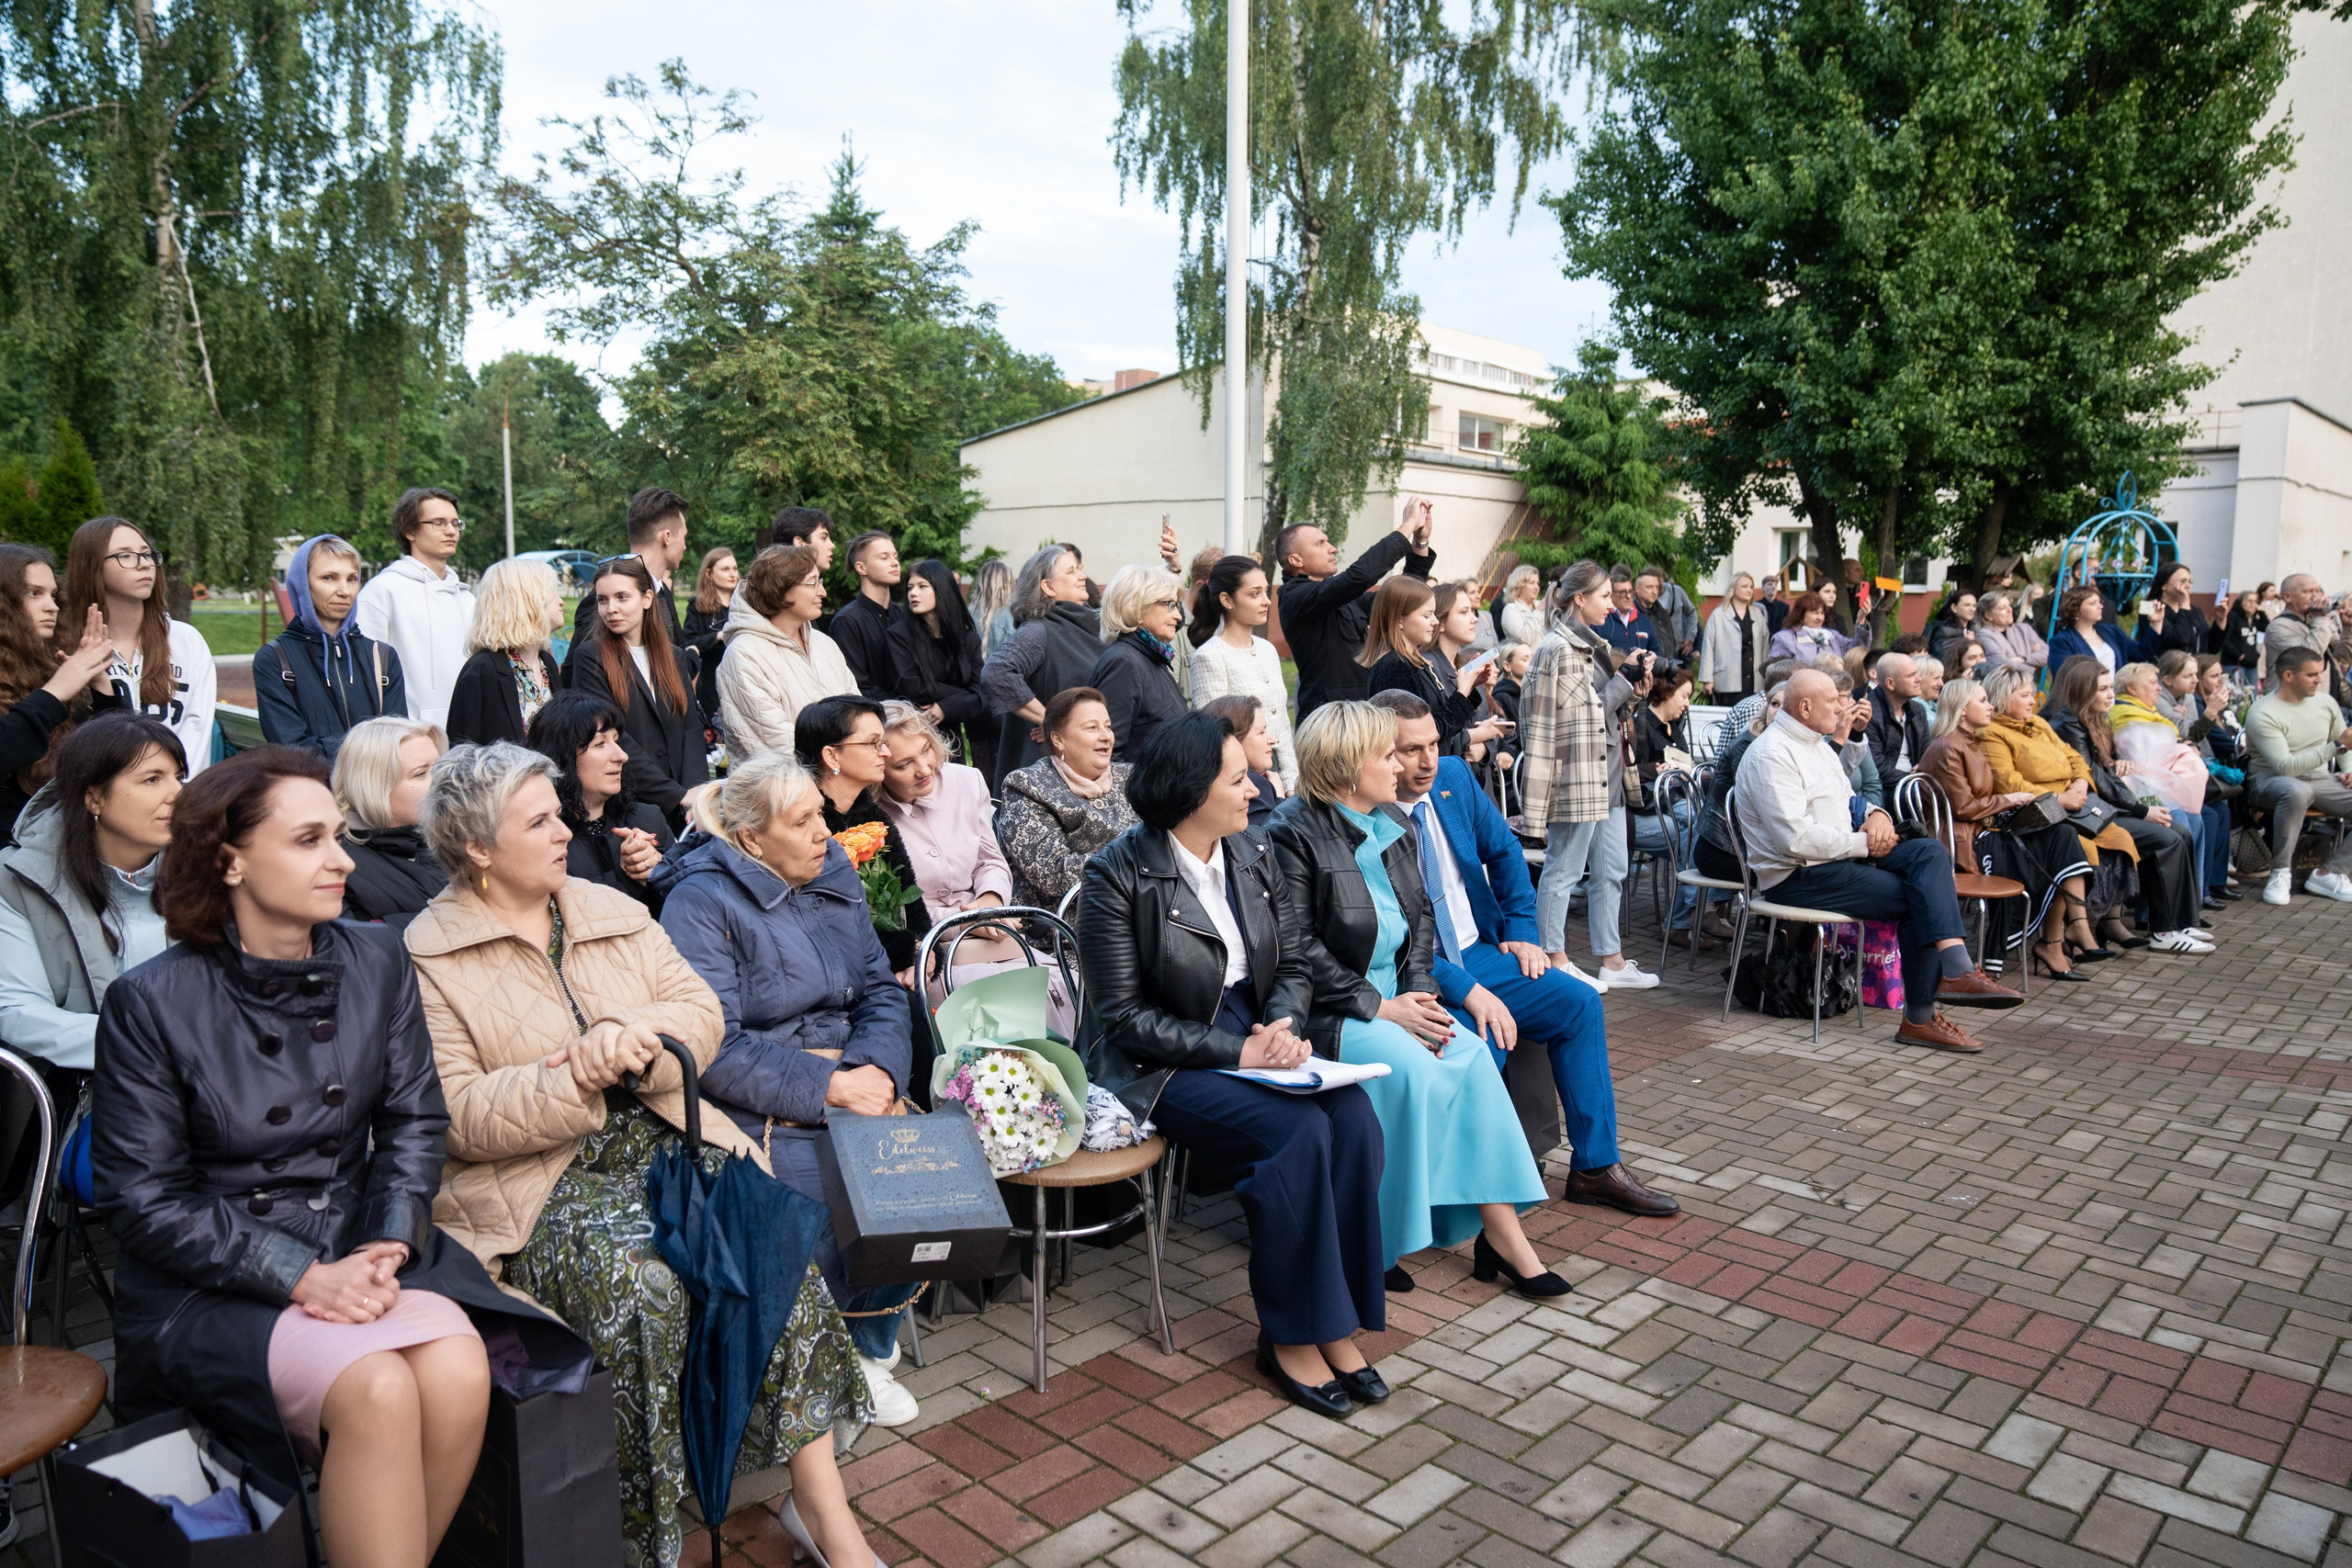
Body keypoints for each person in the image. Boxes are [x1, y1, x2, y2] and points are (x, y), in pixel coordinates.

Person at [95, 746, 589, 1568]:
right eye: (309, 840)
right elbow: (143, 1199)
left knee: (463, 1365)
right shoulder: (151, 1002)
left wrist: (389, 1236)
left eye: (339, 833)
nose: (343, 859)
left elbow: (412, 1120)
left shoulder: (375, 957)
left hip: (356, 1247)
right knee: (379, 1388)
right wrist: (300, 1274)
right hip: (213, 1281)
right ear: (229, 861)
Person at [403, 743, 878, 1568]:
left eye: (557, 813)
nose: (564, 830)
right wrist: (577, 1073)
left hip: (666, 1136)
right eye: (540, 820)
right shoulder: (428, 953)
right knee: (646, 1288)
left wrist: (646, 1041)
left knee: (770, 1238)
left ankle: (825, 1515)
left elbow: (698, 1010)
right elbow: (457, 1117)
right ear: (477, 848)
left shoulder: (603, 906)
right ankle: (647, 1539)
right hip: (539, 1179)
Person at [1076, 712, 1391, 1417]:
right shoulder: (1116, 873)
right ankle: (1289, 1336)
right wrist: (1241, 1049)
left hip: (1254, 1028)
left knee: (1354, 1119)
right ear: (1192, 792)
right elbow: (1125, 1019)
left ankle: (1336, 1321)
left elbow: (1294, 959)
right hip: (1160, 1062)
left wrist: (1282, 1021)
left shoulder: (1250, 852)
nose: (1255, 788)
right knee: (1297, 1134)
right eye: (1238, 777)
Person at [658, 753, 927, 1429]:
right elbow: (712, 1043)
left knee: (928, 1186)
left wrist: (880, 1072)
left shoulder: (831, 869)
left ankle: (867, 1349)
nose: (824, 832)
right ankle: (816, 1368)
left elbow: (879, 993)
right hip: (761, 1100)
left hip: (856, 1074)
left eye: (820, 814)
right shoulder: (699, 900)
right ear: (751, 839)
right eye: (802, 820)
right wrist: (829, 1085)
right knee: (824, 1206)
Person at [1267, 702, 1560, 1296]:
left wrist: (1420, 998)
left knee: (1470, 1055)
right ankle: (1375, 1240)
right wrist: (1382, 1007)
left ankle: (1503, 1236)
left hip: (1397, 998)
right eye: (1387, 754)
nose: (1399, 765)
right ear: (1350, 769)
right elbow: (1294, 946)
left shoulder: (1394, 826)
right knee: (1409, 1069)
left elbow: (1420, 924)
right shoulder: (1289, 832)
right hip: (1335, 1010)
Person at [1369, 691, 1679, 1215]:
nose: (1426, 762)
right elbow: (1394, 939)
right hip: (1418, 972)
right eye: (1408, 750)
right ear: (1376, 751)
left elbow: (1505, 852)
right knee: (1481, 1042)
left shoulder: (1453, 778)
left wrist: (1522, 930)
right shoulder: (1365, 813)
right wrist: (1467, 990)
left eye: (1433, 745)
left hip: (1480, 948)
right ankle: (1480, 1190)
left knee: (1578, 1003)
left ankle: (1595, 1166)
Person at [1735, 670, 2024, 1051]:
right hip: (1797, 877)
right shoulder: (1772, 754)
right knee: (1915, 898)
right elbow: (1795, 841)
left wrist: (1876, 816)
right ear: (1805, 707)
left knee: (1928, 852)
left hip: (1840, 858)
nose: (1843, 706)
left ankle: (1957, 968)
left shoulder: (1817, 744)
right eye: (1834, 700)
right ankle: (1921, 1017)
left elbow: (1847, 801)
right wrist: (1865, 845)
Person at [0, 713, 181, 1071]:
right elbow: (18, 1011)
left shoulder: (217, 869)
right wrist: (157, 1046)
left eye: (178, 777)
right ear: (93, 798)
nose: (176, 793)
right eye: (152, 779)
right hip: (86, 1100)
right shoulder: (19, 878)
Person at [1519, 561, 1659, 989]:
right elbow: (1579, 719)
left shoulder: (1590, 644)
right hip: (1578, 774)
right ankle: (1552, 957)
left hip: (1607, 775)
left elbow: (1608, 709)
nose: (1613, 602)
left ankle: (1611, 961)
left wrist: (1633, 688)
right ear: (1579, 599)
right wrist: (1623, 679)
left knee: (1611, 870)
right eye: (1603, 596)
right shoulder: (1558, 648)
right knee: (1564, 869)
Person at [1914, 678, 2094, 981]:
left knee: (2062, 835)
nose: (1991, 706)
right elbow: (1964, 808)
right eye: (1982, 701)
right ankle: (2062, 936)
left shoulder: (1968, 741)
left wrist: (2010, 804)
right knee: (2059, 841)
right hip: (1965, 843)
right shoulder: (1947, 747)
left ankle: (2070, 929)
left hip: (1982, 830)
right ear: (1961, 709)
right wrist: (2008, 799)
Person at [2043, 657, 2211, 952]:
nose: (2111, 695)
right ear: (2083, 691)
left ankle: (2182, 922)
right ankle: (2164, 932)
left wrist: (2140, 806)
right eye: (2104, 690)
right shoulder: (2068, 725)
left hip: (2100, 808)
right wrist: (2142, 810)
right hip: (2083, 815)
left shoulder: (2089, 720)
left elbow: (2108, 773)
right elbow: (2097, 779)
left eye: (2111, 688)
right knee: (2168, 839)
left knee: (2180, 832)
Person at [1974, 663, 2141, 959]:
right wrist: (2060, 799)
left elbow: (2076, 757)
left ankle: (2106, 922)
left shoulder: (2038, 724)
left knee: (2120, 839)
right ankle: (2063, 935)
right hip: (2035, 811)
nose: (2032, 700)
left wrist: (2079, 785)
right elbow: (2008, 782)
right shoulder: (1993, 733)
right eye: (2025, 695)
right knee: (2078, 849)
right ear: (2002, 698)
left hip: (2073, 803)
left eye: (2032, 694)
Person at [62, 515, 217, 772]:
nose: (144, 564)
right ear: (91, 567)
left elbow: (196, 727)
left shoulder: (185, 640)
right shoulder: (68, 644)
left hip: (178, 795)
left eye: (147, 554)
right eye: (125, 556)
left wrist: (171, 789)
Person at [796, 695, 933, 977]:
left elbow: (913, 908)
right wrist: (906, 953)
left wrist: (924, 955)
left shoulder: (874, 818)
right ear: (832, 755)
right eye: (873, 743)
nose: (885, 753)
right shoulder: (802, 824)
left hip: (892, 967)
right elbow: (820, 927)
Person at [569, 557, 707, 828]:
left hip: (683, 810)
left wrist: (696, 792)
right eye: (603, 600)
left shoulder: (674, 657)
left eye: (622, 597)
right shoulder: (591, 657)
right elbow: (613, 738)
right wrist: (676, 795)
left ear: (647, 598)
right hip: (629, 806)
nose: (611, 609)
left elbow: (690, 728)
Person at [1278, 496, 1436, 718]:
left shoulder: (1344, 600)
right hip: (1330, 725)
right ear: (1295, 560)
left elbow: (1403, 598)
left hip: (1362, 719)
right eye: (1320, 544)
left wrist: (1420, 542)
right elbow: (1358, 577)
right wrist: (1406, 526)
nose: (1332, 549)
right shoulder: (1294, 596)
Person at [253, 534, 407, 761]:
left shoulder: (382, 658)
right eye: (329, 578)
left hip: (376, 794)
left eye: (352, 579)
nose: (344, 590)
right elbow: (291, 748)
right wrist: (371, 749)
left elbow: (398, 741)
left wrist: (326, 745)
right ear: (303, 585)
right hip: (314, 793)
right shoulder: (276, 660)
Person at [0, 544, 114, 841]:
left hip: (54, 846)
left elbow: (114, 754)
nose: (52, 606)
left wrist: (100, 685)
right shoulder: (57, 683)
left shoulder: (47, 667)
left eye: (53, 594)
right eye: (33, 593)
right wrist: (54, 693)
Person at [995, 686, 1137, 912]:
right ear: (1059, 740)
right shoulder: (1026, 785)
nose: (1106, 736)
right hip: (1070, 928)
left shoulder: (1131, 776)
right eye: (1092, 727)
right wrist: (1136, 859)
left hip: (1144, 913)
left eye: (1108, 727)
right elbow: (1052, 874)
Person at [526, 693, 673, 912]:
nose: (621, 755)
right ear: (563, 756)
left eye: (616, 740)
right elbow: (559, 916)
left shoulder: (647, 819)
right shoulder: (545, 841)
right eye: (600, 744)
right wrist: (626, 878)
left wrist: (661, 868)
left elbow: (693, 906)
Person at [718, 544, 859, 761]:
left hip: (843, 782)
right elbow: (778, 744)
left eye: (820, 581)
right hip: (780, 790)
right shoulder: (744, 654)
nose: (823, 592)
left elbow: (857, 713)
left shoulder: (824, 644)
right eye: (812, 583)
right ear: (780, 590)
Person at [980, 544, 1103, 784]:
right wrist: (1051, 719)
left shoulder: (1090, 624)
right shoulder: (1039, 630)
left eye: (1079, 569)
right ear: (1047, 586)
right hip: (1048, 772)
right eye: (1071, 572)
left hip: (1086, 764)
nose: (1082, 576)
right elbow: (997, 672)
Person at [355, 488, 476, 731]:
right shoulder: (383, 591)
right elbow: (366, 674)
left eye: (455, 523)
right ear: (409, 530)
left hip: (468, 737)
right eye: (438, 523)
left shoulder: (467, 598)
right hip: (409, 738)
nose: (451, 531)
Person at [2117, 659, 2231, 905]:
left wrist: (2184, 748)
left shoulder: (2152, 713)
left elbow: (2176, 741)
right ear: (2131, 689)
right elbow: (2141, 758)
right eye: (2152, 683)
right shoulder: (2123, 714)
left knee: (2200, 819)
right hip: (2143, 792)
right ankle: (2168, 913)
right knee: (2182, 824)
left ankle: (2192, 904)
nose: (2159, 689)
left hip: (2162, 785)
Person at [2245, 646, 2352, 905]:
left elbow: (2346, 747)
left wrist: (2349, 770)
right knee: (2296, 790)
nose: (2319, 679)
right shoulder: (2263, 712)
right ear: (2289, 676)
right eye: (2312, 674)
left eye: (2320, 674)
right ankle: (2280, 872)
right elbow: (2285, 767)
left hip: (2318, 780)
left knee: (2304, 788)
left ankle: (2331, 874)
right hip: (2270, 781)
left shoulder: (2326, 702)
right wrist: (2337, 746)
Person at [1188, 554, 1298, 792]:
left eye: (1266, 592)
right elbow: (1214, 736)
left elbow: (1280, 721)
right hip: (1241, 778)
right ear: (1227, 600)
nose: (1266, 601)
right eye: (1254, 593)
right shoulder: (1211, 656)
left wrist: (1291, 782)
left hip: (1277, 769)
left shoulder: (1267, 649)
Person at [335, 716, 451, 930]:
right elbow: (355, 948)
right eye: (421, 773)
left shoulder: (454, 838)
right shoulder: (335, 864)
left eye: (439, 767)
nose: (441, 781)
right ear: (374, 786)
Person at [888, 557, 993, 778]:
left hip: (952, 736)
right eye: (910, 588)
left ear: (942, 590)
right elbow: (916, 689)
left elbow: (983, 693)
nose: (913, 593)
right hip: (915, 734)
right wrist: (964, 696)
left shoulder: (967, 638)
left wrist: (946, 707)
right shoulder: (899, 636)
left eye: (922, 586)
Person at [444, 557, 563, 750]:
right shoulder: (483, 670)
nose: (561, 601)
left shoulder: (545, 662)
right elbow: (461, 758)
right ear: (527, 601)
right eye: (551, 593)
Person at [1362, 578, 1489, 756]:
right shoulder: (1395, 666)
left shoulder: (1411, 662)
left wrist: (1468, 690)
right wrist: (1462, 693)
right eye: (1427, 615)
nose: (1435, 621)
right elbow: (1426, 734)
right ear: (1400, 620)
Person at [564, 486, 689, 654]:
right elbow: (576, 673)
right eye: (684, 536)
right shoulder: (603, 598)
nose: (685, 546)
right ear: (667, 537)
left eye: (623, 598)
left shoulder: (662, 591)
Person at [1088, 563, 1189, 759]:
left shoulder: (1151, 656)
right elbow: (1106, 755)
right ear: (1137, 608)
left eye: (1176, 606)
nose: (1177, 615)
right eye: (1170, 605)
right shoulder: (1124, 663)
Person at [830, 531, 911, 702]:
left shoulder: (906, 614)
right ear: (861, 567)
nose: (895, 563)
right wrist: (906, 708)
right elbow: (858, 686)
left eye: (895, 556)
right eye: (884, 557)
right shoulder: (847, 621)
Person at [1199, 694, 1284, 828]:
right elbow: (1275, 842)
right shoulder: (1256, 784)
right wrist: (1280, 801)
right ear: (1233, 739)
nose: (1272, 740)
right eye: (1261, 732)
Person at [2263, 574, 2350, 696]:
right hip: (2291, 703)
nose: (2315, 596)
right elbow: (2308, 658)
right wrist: (2321, 616)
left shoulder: (2316, 621)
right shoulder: (2278, 627)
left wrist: (2347, 628)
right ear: (2288, 597)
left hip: (2321, 699)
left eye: (2317, 591)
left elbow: (2344, 657)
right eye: (2308, 592)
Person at [1699, 572, 1769, 704]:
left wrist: (1766, 675)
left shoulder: (1758, 614)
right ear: (1733, 588)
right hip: (1728, 680)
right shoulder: (1718, 615)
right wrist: (1707, 679)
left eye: (1751, 587)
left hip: (1754, 679)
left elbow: (1765, 647)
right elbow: (1708, 647)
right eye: (1744, 586)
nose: (1749, 590)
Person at [1865, 652, 1932, 789]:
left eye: (1917, 673)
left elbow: (1927, 755)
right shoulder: (1868, 713)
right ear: (1890, 683)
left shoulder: (1917, 710)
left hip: (1915, 784)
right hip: (1887, 791)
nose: (1919, 679)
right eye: (1911, 675)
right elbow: (1877, 769)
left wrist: (1924, 769)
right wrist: (1913, 778)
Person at [2047, 585, 2135, 677]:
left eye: (2099, 602)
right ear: (2076, 610)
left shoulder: (2113, 632)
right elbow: (2065, 677)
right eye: (2093, 603)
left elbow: (2141, 653)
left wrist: (2151, 624)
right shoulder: (2062, 641)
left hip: (2113, 691)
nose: (2100, 606)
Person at [2136, 562, 2211, 660]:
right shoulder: (2151, 608)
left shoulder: (2194, 610)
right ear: (2164, 585)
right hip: (2166, 669)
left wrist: (2221, 622)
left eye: (2190, 581)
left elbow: (2210, 645)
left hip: (2195, 669)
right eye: (2183, 581)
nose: (2188, 585)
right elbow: (2179, 639)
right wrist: (2184, 604)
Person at [681, 546, 738, 668]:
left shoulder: (745, 603)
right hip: (711, 678)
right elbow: (687, 643)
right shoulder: (697, 607)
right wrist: (717, 637)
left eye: (735, 569)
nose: (732, 574)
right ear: (709, 573)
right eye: (725, 569)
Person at [1597, 570, 1665, 662]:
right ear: (1611, 595)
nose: (1628, 596)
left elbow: (1655, 652)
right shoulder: (1601, 621)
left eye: (1630, 591)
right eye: (1623, 592)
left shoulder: (1643, 620)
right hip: (1612, 676)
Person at [1633, 567, 1697, 663]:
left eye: (1657, 587)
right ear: (1637, 589)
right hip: (1646, 666)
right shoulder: (1632, 613)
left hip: (1670, 662)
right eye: (1650, 587)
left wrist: (1690, 637)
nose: (1654, 592)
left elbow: (1669, 642)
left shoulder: (1661, 612)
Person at [1974, 590, 2048, 673]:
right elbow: (2003, 664)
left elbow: (2047, 654)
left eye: (2009, 605)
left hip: (2029, 685)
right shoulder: (1984, 635)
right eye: (2003, 608)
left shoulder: (2024, 629)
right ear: (1988, 616)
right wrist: (2034, 664)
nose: (2010, 610)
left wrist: (2023, 659)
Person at [1767, 593, 1849, 663]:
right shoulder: (1784, 638)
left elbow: (1855, 650)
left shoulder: (1833, 636)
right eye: (1815, 613)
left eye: (1822, 613)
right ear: (1801, 614)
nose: (1820, 618)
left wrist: (1861, 623)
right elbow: (1777, 673)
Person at [2219, 588, 2266, 689]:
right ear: (2241, 602)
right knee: (2229, 693)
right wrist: (2238, 655)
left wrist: (2261, 612)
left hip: (2251, 664)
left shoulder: (2253, 618)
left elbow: (2266, 628)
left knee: (2252, 695)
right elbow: (2224, 639)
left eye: (2255, 601)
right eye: (2249, 601)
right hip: (2232, 663)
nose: (2252, 604)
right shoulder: (2232, 616)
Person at [970, 558, 1017, 659]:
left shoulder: (968, 613)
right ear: (1008, 584)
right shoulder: (1011, 618)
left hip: (972, 672)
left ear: (981, 582)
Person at [1928, 590, 1979, 670]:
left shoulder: (1974, 629)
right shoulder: (1944, 631)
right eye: (1967, 605)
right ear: (1954, 607)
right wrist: (1967, 643)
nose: (1972, 609)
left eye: (1974, 606)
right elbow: (1945, 659)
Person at [1498, 564, 1544, 649]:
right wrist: (1539, 610)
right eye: (1532, 583)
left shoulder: (1539, 604)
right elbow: (1525, 639)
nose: (1536, 587)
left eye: (1537, 583)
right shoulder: (1511, 609)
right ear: (1519, 585)